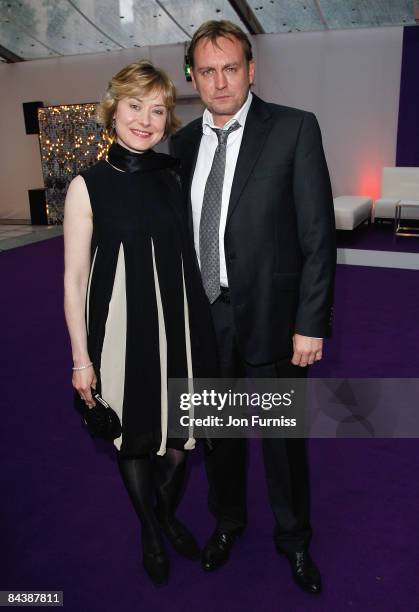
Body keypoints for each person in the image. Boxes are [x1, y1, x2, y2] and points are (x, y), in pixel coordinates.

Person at [171, 21, 336, 594]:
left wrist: (310, 323)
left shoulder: (293, 129)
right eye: (207, 71)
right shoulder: (183, 142)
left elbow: (318, 235)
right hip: (204, 319)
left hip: (273, 320)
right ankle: (227, 523)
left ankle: (294, 542)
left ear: (251, 69)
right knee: (217, 437)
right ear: (193, 76)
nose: (219, 82)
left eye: (231, 68)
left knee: (282, 447)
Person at [63, 59, 217, 586]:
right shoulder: (88, 185)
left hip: (179, 325)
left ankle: (166, 513)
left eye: (158, 110)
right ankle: (152, 528)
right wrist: (81, 361)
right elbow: (74, 277)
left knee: (178, 441)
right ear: (113, 109)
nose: (146, 120)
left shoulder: (174, 176)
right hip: (120, 331)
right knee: (133, 438)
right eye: (135, 106)